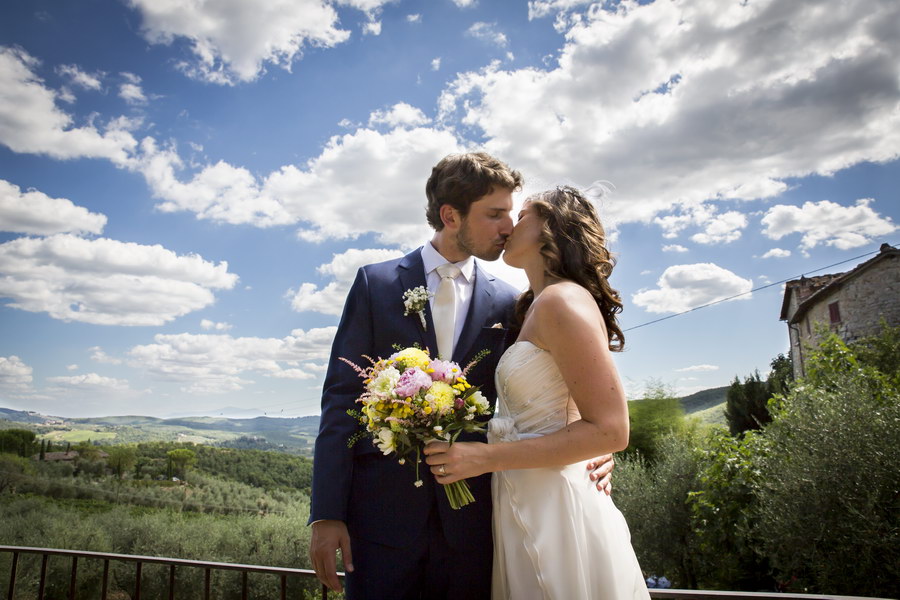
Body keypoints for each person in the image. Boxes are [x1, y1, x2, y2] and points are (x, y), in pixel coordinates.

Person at [308, 153, 615, 600]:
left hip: (479, 524)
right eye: (494, 215)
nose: (507, 226)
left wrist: (599, 452)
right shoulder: (376, 285)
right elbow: (341, 402)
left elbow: (563, 388)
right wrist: (326, 513)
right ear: (450, 216)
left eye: (512, 214)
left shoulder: (515, 303)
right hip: (381, 526)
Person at [424, 186, 650, 599]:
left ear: (552, 228)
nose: (509, 225)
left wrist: (486, 457)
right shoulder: (531, 307)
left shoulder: (563, 301)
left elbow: (612, 430)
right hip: (522, 496)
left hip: (557, 508)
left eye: (523, 214)